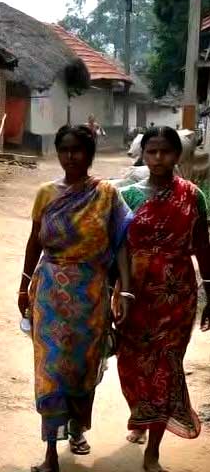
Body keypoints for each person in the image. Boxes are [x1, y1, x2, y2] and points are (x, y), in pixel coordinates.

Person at [19, 125, 133, 472]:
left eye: (77, 150)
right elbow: (35, 241)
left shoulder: (107, 194)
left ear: (90, 154)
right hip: (50, 292)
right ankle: (51, 451)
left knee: (83, 368)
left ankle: (77, 427)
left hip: (91, 293)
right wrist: (23, 286)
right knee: (51, 368)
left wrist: (124, 289)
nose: (70, 156)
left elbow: (121, 244)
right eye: (64, 150)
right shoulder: (46, 193)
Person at [115, 125, 210, 472]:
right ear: (143, 154)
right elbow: (117, 248)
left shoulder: (193, 196)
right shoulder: (128, 196)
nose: (158, 158)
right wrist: (112, 291)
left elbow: (203, 246)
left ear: (177, 155)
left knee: (166, 367)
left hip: (176, 294)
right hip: (134, 291)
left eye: (165, 152)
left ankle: (153, 449)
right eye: (151, 152)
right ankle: (141, 416)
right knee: (131, 363)